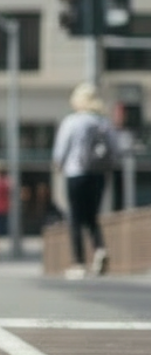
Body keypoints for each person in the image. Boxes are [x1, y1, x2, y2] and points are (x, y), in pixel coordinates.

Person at [52, 82, 119, 277]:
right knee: (92, 216)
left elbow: (61, 150)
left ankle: (78, 263)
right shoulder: (104, 122)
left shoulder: (72, 121)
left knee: (75, 216)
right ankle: (99, 249)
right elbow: (114, 150)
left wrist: (59, 165)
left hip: (76, 173)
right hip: (98, 174)